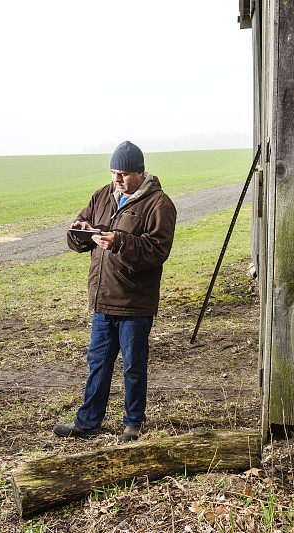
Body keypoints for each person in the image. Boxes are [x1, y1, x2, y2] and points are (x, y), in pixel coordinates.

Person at [54, 141, 177, 442]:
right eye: (113, 173)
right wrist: (79, 230)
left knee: (134, 366)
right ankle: (87, 422)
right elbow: (80, 238)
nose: (117, 180)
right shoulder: (101, 197)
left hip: (135, 303)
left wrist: (120, 242)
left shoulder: (159, 204)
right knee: (98, 363)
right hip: (103, 300)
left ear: (140, 172)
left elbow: (158, 250)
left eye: (123, 174)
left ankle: (133, 422)